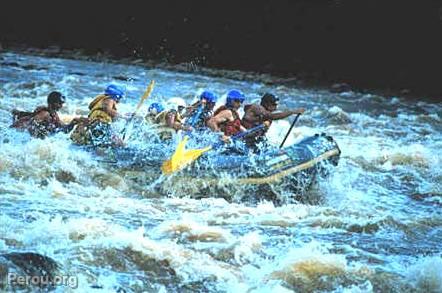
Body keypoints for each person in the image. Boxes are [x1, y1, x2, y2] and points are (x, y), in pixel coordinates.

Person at [241, 93, 305, 149]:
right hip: (243, 140)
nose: (276, 108)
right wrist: (292, 112)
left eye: (276, 105)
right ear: (266, 104)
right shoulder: (256, 108)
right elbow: (272, 116)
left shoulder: (267, 115)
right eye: (274, 105)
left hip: (255, 141)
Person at [11, 91, 79, 139]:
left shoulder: (54, 114)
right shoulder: (45, 114)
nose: (61, 106)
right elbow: (31, 125)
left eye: (61, 104)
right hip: (14, 134)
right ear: (52, 103)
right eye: (59, 103)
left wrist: (73, 123)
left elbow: (63, 130)